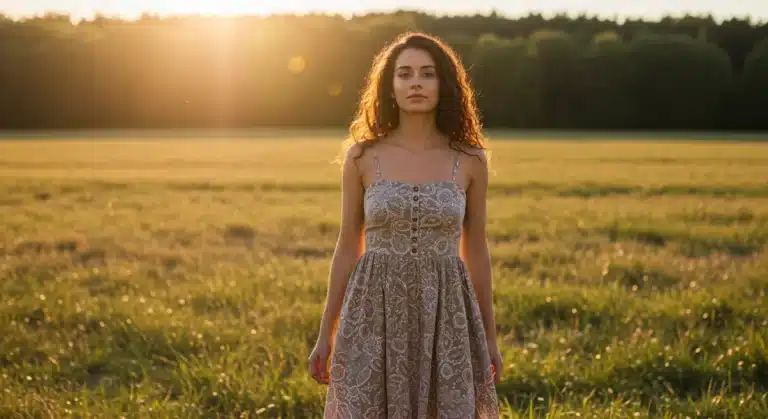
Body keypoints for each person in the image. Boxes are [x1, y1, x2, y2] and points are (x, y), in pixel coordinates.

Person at [307, 31, 502, 418]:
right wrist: (324, 334)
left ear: (443, 84)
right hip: (372, 309)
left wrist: (490, 340)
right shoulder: (362, 157)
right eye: (405, 74)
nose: (416, 82)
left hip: (446, 310)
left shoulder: (471, 159)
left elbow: (476, 251)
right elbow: (348, 244)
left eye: (427, 74)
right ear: (389, 86)